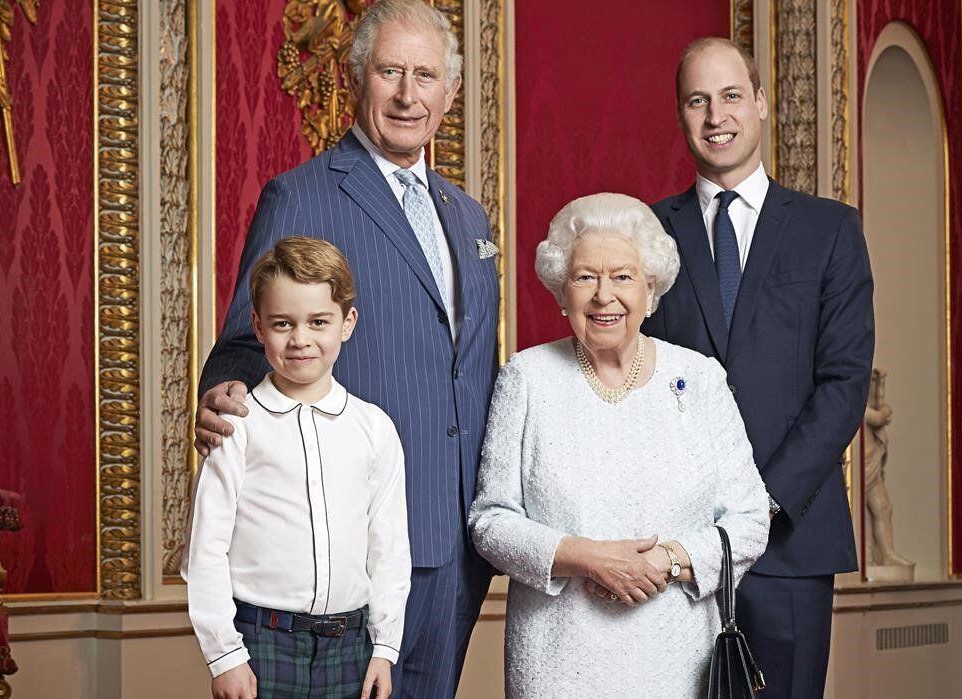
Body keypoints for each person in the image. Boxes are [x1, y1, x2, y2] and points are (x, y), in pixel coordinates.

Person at [193, 1, 499, 695]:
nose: (407, 93)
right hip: (357, 543)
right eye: (390, 71)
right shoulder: (301, 195)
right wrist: (223, 391)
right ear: (357, 78)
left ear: (450, 92)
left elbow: (474, 367)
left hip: (458, 540)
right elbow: (247, 337)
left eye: (426, 75)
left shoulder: (469, 216)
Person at [643, 36, 874, 698]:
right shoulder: (648, 235)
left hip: (791, 542)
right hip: (677, 546)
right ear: (681, 115)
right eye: (697, 100)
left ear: (763, 104)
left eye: (731, 96)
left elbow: (844, 383)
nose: (716, 115)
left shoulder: (830, 232)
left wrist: (760, 504)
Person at [469, 193, 770, 697]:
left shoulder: (699, 378)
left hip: (677, 658)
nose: (603, 295)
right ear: (562, 292)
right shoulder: (527, 378)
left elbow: (751, 520)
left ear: (651, 290)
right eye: (585, 277)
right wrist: (586, 556)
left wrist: (668, 560)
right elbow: (490, 521)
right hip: (557, 660)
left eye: (623, 277)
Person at [182, 237, 410, 699]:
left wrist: (384, 648)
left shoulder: (374, 427)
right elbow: (204, 550)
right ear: (258, 326)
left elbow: (388, 550)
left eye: (318, 322)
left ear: (347, 323)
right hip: (260, 641)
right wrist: (224, 656)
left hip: (352, 645)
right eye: (283, 323)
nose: (301, 339)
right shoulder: (237, 425)